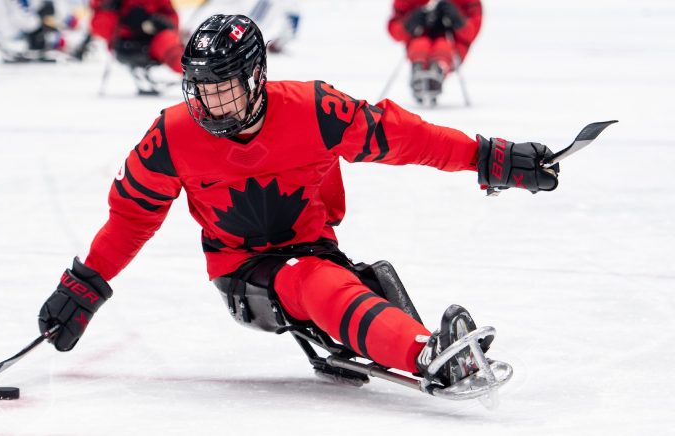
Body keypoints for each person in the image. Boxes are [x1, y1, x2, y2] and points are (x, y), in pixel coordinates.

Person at [38, 15, 558, 392]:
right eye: (198, 90)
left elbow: (405, 138)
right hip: (242, 271)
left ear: (257, 79)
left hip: (312, 248)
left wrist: (488, 157)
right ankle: (425, 353)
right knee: (312, 282)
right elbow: (131, 218)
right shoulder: (172, 136)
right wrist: (84, 286)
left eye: (223, 91)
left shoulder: (315, 110)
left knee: (331, 280)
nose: (207, 105)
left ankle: (409, 341)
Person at [388, 0, 483, 104]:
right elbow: (395, 29)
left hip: (452, 44)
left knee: (443, 46)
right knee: (420, 44)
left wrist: (458, 21)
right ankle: (421, 69)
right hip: (420, 39)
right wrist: (410, 22)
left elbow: (472, 31)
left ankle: (436, 69)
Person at [90, 0, 184, 94]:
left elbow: (172, 20)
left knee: (171, 43)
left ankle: (195, 74)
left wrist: (161, 22)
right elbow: (98, 26)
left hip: (154, 38)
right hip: (124, 43)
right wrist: (118, 15)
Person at [0, 0, 90, 62]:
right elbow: (24, 19)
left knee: (41, 13)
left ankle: (53, 39)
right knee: (45, 11)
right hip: (10, 33)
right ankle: (51, 42)